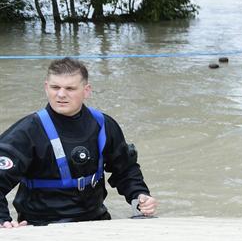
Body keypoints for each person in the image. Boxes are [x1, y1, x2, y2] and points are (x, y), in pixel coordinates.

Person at [0, 57, 157, 228]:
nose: (61, 94)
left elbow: (125, 170)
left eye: (70, 88)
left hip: (96, 220)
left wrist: (140, 195)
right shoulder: (27, 131)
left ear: (86, 90)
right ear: (46, 88)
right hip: (41, 226)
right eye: (55, 87)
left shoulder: (103, 125)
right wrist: (3, 220)